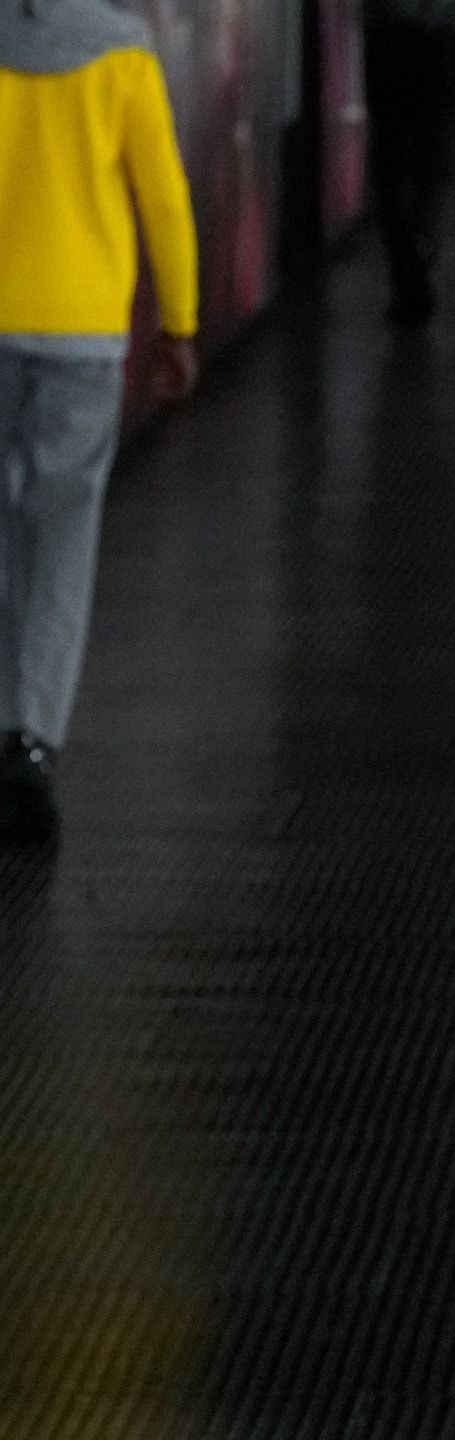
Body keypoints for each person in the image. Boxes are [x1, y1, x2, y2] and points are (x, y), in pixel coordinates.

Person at [0, 0, 198, 839]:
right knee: (60, 534)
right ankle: (30, 739)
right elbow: (163, 197)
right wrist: (178, 324)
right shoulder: (123, 51)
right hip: (81, 332)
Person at [362, 0, 455, 322]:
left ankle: (404, 265)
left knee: (390, 160)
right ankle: (423, 234)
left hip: (388, 38)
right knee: (432, 158)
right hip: (439, 38)